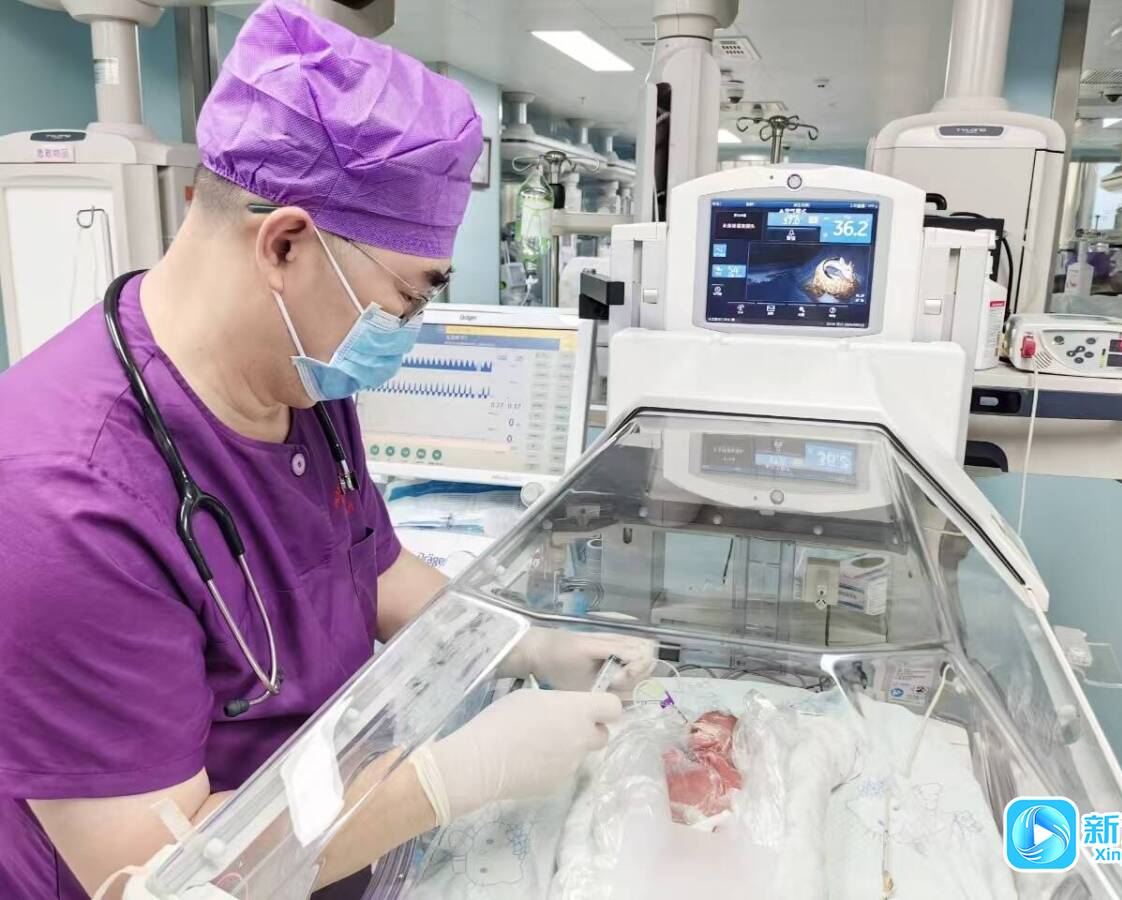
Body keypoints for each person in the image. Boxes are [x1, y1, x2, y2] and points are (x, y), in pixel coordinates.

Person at [0, 3, 652, 897]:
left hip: (321, 851)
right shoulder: (59, 503)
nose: (405, 332)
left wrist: (520, 645)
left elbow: (369, 569)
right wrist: (447, 780)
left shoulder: (299, 378)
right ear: (286, 244)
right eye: (408, 298)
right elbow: (154, 877)